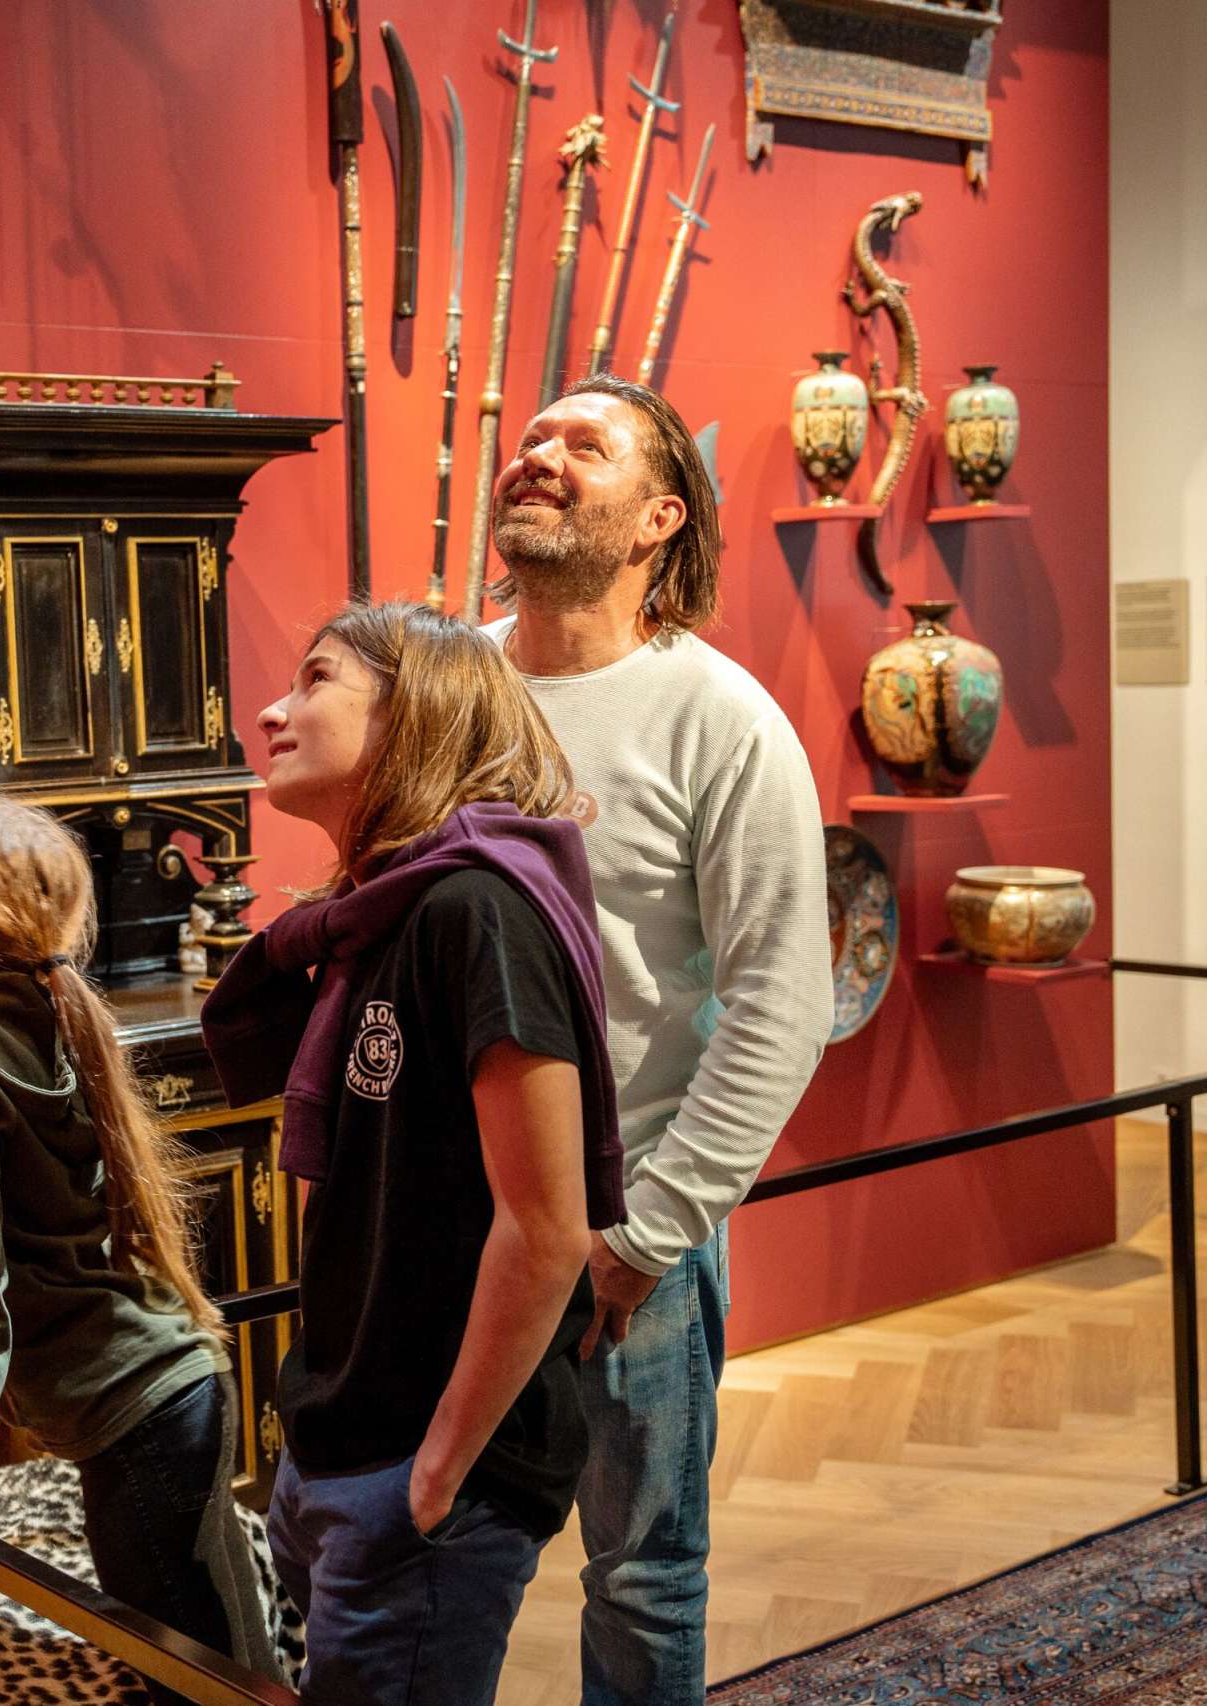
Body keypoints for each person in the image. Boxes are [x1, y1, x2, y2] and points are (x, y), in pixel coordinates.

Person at [201, 601, 623, 1706]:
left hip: (426, 1461)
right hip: (346, 1435)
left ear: (413, 711)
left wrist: (434, 1472)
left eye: (317, 678)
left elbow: (545, 1226)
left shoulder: (475, 909)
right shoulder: (374, 913)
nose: (272, 707)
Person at [482, 373, 832, 1706]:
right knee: (430, 1532)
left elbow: (783, 1000)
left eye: (586, 444)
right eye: (530, 440)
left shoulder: (722, 718)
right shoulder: (446, 688)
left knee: (638, 1569)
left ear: (660, 518)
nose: (541, 456)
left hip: (625, 1235)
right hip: (454, 1217)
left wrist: (651, 1233)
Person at [0, 795, 276, 1693]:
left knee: (187, 1677)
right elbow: (43, 1237)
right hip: (183, 1384)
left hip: (135, 1417)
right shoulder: (50, 1000)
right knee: (235, 1663)